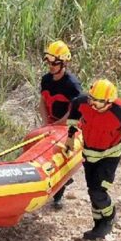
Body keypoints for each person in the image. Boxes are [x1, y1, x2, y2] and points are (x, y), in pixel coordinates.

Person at [66, 79, 121, 240]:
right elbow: (74, 110)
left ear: (109, 102)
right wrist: (70, 135)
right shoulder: (83, 102)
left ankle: (109, 218)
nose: (93, 104)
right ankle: (98, 224)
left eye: (98, 102)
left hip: (109, 157)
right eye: (91, 99)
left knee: (98, 192)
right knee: (92, 191)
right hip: (89, 155)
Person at [39, 40, 83, 209]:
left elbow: (75, 111)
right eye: (49, 62)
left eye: (54, 63)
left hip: (68, 124)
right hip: (52, 122)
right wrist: (46, 123)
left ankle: (59, 194)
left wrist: (58, 124)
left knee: (61, 154)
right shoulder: (46, 80)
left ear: (64, 63)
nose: (51, 66)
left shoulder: (72, 84)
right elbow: (42, 102)